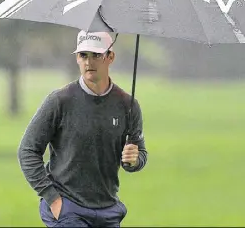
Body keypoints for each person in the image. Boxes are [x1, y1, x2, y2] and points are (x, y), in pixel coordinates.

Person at [18, 30, 148, 227]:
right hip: (68, 207)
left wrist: (134, 160)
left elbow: (139, 155)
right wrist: (52, 198)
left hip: (108, 210)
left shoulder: (127, 105)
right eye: (83, 55)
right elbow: (27, 150)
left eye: (96, 55)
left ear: (110, 56)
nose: (89, 62)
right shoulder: (59, 101)